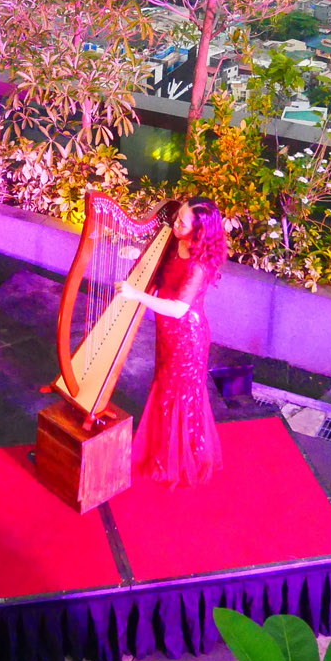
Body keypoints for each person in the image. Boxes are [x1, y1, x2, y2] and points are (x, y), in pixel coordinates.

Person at [120, 198, 226, 487]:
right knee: (166, 389)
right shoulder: (174, 241)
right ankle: (164, 449)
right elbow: (162, 274)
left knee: (180, 394)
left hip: (187, 338)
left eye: (182, 221)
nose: (175, 223)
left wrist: (136, 295)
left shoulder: (199, 264)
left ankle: (179, 459)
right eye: (177, 217)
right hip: (166, 333)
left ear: (200, 230)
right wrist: (134, 255)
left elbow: (179, 308)